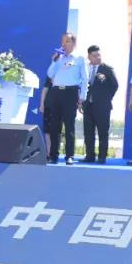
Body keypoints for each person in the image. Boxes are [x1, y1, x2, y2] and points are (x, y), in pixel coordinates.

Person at [45, 33, 88, 165]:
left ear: (74, 43)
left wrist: (82, 96)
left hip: (70, 93)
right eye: (63, 41)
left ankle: (69, 155)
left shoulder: (79, 58)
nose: (64, 44)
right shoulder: (58, 58)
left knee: (69, 125)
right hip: (56, 92)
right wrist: (54, 61)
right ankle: (53, 155)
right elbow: (50, 74)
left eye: (67, 41)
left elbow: (85, 78)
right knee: (54, 125)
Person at [82, 45, 118, 164]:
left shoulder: (107, 69)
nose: (97, 57)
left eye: (99, 55)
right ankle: (90, 155)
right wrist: (81, 101)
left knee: (103, 132)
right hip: (88, 105)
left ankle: (102, 156)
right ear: (89, 56)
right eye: (94, 55)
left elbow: (115, 85)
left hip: (103, 107)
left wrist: (106, 98)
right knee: (88, 132)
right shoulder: (85, 68)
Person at [39, 74, 54, 159]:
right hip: (48, 106)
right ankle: (48, 154)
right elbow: (44, 90)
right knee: (47, 131)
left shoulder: (67, 74)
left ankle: (54, 153)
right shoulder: (50, 75)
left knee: (56, 131)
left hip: (60, 107)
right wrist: (42, 104)